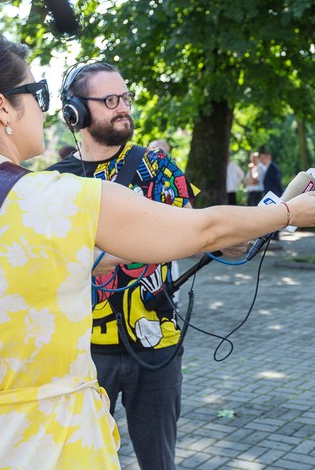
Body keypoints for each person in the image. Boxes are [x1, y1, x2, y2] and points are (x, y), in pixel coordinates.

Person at [0, 31, 315, 469]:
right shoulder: (62, 199)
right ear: (3, 108)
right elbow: (205, 229)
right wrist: (288, 214)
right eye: (36, 95)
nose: (44, 110)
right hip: (56, 448)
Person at [48, 61, 243, 470]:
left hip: (157, 349)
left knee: (159, 462)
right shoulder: (52, 184)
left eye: (126, 98)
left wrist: (261, 223)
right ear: (75, 112)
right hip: (79, 354)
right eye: (110, 100)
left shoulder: (158, 170)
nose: (124, 108)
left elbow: (199, 233)